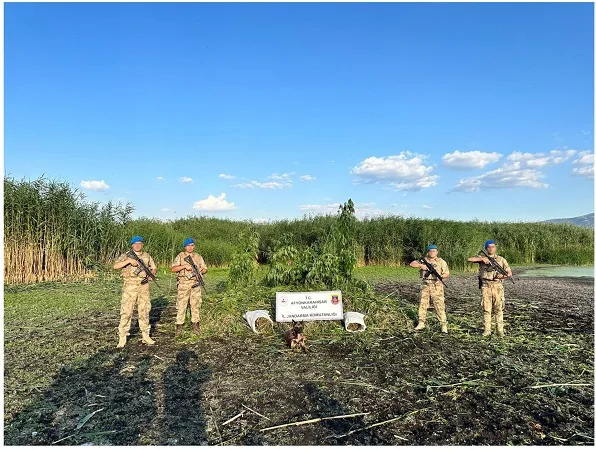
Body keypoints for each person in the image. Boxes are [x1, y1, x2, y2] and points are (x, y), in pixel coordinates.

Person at [113, 235, 157, 348]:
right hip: (130, 287)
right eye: (135, 243)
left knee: (144, 310)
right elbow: (115, 266)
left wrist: (152, 274)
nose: (138, 245)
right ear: (132, 245)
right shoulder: (126, 255)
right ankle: (122, 337)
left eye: (140, 243)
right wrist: (128, 261)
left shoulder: (147, 256)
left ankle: (145, 335)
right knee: (126, 311)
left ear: (142, 244)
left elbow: (154, 267)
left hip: (144, 286)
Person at [467, 240, 512, 337]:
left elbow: (509, 273)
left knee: (499, 309)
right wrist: (483, 259)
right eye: (489, 247)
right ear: (486, 248)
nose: (491, 248)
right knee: (486, 309)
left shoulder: (501, 259)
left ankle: (500, 331)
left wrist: (502, 276)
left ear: (495, 248)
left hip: (497, 286)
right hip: (486, 286)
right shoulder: (481, 258)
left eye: (493, 246)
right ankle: (487, 330)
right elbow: (469, 259)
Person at [409, 244, 450, 333]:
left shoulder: (441, 261)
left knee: (439, 305)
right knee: (423, 304)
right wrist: (421, 266)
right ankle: (421, 323)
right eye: (431, 251)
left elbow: (447, 273)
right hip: (425, 285)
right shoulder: (423, 260)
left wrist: (441, 276)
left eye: (434, 251)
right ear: (428, 252)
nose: (432, 252)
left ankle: (443, 325)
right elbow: (412, 264)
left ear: (437, 252)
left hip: (437, 285)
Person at [171, 238, 208, 336]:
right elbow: (173, 269)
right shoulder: (180, 256)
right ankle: (179, 327)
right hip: (183, 284)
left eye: (192, 245)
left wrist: (199, 272)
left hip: (195, 284)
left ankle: (196, 326)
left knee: (196, 305)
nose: (190, 247)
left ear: (194, 246)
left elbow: (205, 269)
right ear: (185, 246)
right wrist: (184, 266)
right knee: (181, 305)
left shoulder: (198, 257)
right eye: (188, 245)